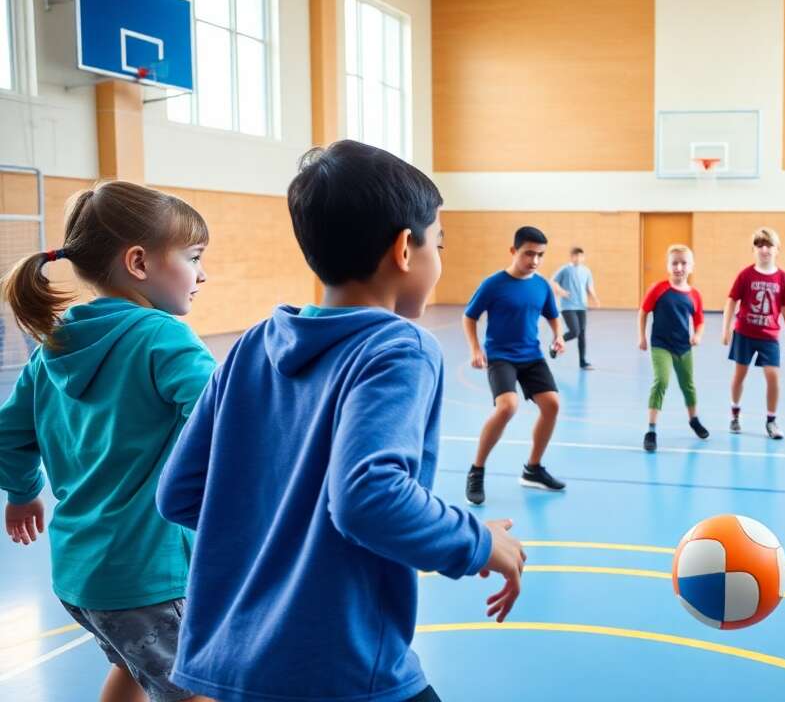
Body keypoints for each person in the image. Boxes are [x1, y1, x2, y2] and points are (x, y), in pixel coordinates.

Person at [156, 141, 525, 702]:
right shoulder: (397, 348)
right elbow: (368, 496)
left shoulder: (252, 344)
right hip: (341, 672)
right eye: (439, 244)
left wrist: (278, 529)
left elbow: (179, 494)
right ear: (406, 248)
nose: (440, 258)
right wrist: (475, 541)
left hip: (231, 668)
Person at [1, 181, 214, 702]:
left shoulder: (56, 342)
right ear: (139, 263)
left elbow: (9, 434)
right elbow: (220, 415)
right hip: (149, 576)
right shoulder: (161, 335)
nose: (202, 273)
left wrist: (22, 492)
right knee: (204, 690)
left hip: (83, 577)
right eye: (192, 257)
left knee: (132, 670)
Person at [464, 226, 568, 505]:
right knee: (508, 406)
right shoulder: (494, 284)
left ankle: (532, 469)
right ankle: (476, 470)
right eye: (528, 253)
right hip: (501, 356)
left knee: (552, 405)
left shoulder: (542, 285)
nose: (534, 260)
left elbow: (552, 315)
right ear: (514, 251)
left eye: (540, 255)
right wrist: (476, 348)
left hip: (532, 356)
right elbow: (469, 316)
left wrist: (558, 335)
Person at [721, 227, 785, 439]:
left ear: (777, 249)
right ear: (753, 250)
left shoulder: (782, 278)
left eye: (769, 245)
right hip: (744, 333)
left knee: (773, 377)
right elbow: (731, 301)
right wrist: (725, 329)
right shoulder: (745, 275)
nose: (764, 249)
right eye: (759, 245)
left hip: (769, 336)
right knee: (740, 374)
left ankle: (771, 420)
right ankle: (735, 413)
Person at [638, 244, 709, 452]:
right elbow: (643, 312)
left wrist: (697, 335)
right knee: (661, 381)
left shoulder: (694, 295)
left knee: (688, 385)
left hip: (683, 347)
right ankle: (651, 430)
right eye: (674, 263)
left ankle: (693, 419)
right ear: (668, 266)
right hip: (661, 345)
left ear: (691, 267)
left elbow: (700, 320)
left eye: (683, 263)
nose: (679, 267)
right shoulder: (658, 289)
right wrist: (641, 336)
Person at [550, 246, 598, 369]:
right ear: (571, 257)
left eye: (581, 256)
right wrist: (561, 291)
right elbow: (553, 282)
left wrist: (594, 298)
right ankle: (556, 344)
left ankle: (583, 362)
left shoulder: (586, 271)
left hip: (581, 306)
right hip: (568, 307)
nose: (578, 258)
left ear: (583, 257)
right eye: (576, 256)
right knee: (574, 331)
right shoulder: (565, 270)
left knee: (582, 334)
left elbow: (589, 287)